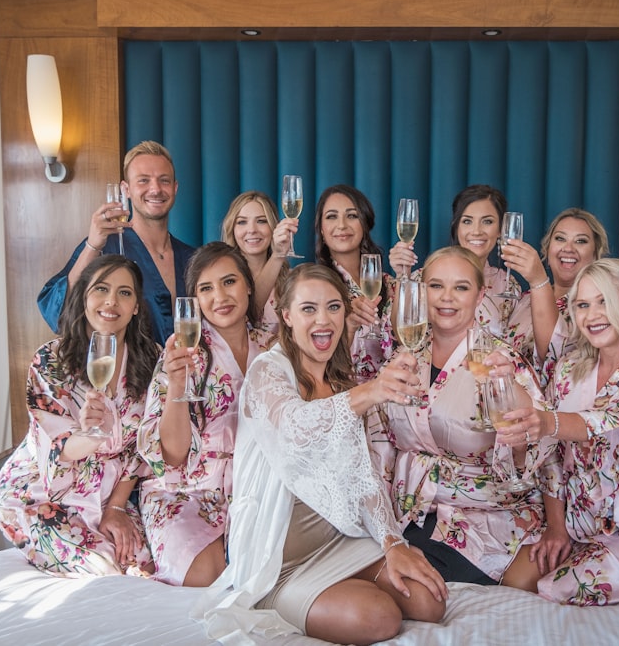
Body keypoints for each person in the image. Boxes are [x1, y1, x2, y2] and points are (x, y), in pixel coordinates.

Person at [199, 264, 447, 645]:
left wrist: (393, 543)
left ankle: (349, 584)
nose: (323, 319)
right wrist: (371, 392)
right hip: (282, 564)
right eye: (308, 309)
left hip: (340, 539)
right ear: (286, 315)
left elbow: (364, 476)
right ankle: (282, 600)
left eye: (333, 307)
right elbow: (295, 426)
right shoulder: (267, 372)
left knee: (431, 602)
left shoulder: (339, 383)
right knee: (379, 617)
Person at [371, 246, 569, 592]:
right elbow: (381, 445)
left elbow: (545, 450)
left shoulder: (498, 362)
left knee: (418, 588)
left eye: (461, 287)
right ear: (421, 292)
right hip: (409, 511)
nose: (447, 298)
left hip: (483, 516)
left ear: (479, 296)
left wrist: (557, 527)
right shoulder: (404, 355)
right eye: (436, 286)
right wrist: (380, 521)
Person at [494, 258, 619, 605]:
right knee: (515, 581)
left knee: (552, 590)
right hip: (576, 526)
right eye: (583, 305)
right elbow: (553, 455)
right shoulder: (570, 370)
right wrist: (556, 528)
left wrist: (548, 421)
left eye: (605, 301)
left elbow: (607, 423)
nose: (593, 314)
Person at [0, 255, 158, 577]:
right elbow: (58, 449)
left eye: (125, 293)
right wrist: (87, 434)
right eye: (101, 289)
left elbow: (139, 448)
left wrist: (116, 508)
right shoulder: (50, 361)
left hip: (110, 495)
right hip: (42, 492)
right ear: (84, 297)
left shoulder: (152, 359)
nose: (112, 301)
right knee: (107, 570)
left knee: (144, 568)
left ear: (136, 306)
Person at [138, 243, 273, 587]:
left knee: (261, 572)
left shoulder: (273, 347)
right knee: (206, 574)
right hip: (185, 492)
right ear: (195, 300)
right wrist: (177, 387)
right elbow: (172, 454)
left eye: (229, 282)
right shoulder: (182, 353)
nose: (220, 297)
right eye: (206, 288)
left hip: (252, 490)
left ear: (247, 286)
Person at [38, 140, 195, 345]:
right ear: (126, 189)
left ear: (175, 188)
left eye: (164, 180)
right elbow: (57, 315)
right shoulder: (104, 246)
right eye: (143, 180)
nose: (155, 189)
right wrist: (93, 246)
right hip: (125, 374)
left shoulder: (192, 258)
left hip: (184, 375)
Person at [388, 184, 534, 356]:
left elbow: (513, 350)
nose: (477, 231)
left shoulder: (508, 286)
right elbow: (400, 335)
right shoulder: (423, 277)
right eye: (467, 221)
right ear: (456, 228)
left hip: (481, 375)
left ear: (501, 230)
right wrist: (401, 275)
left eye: (487, 221)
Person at [507, 207, 610, 378]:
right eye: (560, 239)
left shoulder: (597, 306)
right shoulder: (525, 299)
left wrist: (539, 280)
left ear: (595, 254)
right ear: (547, 249)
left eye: (581, 241)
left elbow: (551, 357)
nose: (568, 248)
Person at [314, 184, 394, 382]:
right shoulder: (314, 286)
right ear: (322, 230)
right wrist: (349, 325)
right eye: (332, 216)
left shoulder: (389, 284)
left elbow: (409, 342)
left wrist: (404, 273)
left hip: (393, 401)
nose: (342, 225)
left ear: (364, 224)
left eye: (352, 215)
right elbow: (313, 362)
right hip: (344, 397)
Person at [219, 190, 295, 339]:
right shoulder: (222, 281)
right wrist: (278, 255)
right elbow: (249, 314)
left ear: (274, 226)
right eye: (242, 222)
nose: (252, 230)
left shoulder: (292, 281)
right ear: (232, 229)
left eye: (261, 221)